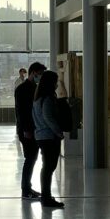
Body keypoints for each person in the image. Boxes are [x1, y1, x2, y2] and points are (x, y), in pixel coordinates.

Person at [32, 70, 65, 208]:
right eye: (56, 81)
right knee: (49, 167)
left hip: (40, 135)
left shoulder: (37, 99)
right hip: (49, 137)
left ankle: (46, 195)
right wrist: (58, 132)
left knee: (47, 167)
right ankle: (46, 197)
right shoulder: (48, 99)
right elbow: (49, 118)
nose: (57, 84)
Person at [14, 62, 46, 200]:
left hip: (33, 129)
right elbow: (22, 112)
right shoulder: (22, 89)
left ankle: (28, 188)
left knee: (32, 158)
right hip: (27, 130)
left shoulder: (35, 88)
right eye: (40, 74)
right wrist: (27, 129)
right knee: (30, 159)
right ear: (33, 73)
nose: (41, 77)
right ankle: (25, 190)